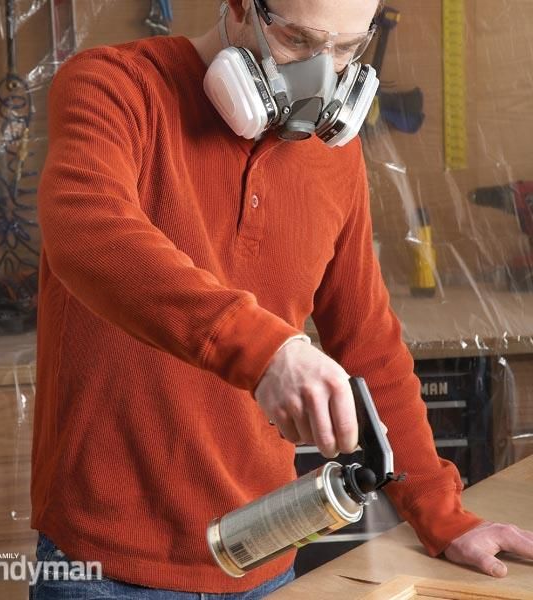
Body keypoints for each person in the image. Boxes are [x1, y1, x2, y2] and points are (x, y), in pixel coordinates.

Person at [29, 0, 533, 598]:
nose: (322, 75)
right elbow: (87, 231)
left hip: (263, 554)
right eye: (298, 40)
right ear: (240, 7)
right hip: (104, 564)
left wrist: (442, 515)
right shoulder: (114, 87)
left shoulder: (336, 154)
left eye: (346, 50)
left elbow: (368, 344)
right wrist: (268, 351)